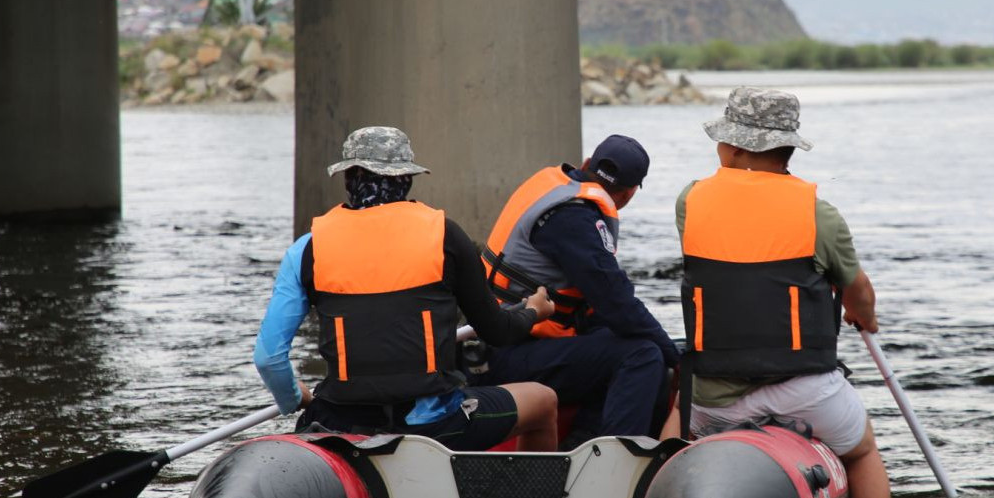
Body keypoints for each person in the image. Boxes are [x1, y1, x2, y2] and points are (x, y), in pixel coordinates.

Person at [253, 125, 558, 450]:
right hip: (434, 424)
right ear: (405, 179)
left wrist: (291, 397)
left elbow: (269, 359)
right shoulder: (446, 236)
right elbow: (498, 331)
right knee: (544, 401)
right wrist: (533, 311)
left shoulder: (306, 249)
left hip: (341, 422)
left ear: (349, 179)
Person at [675, 87, 892, 498]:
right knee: (863, 450)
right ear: (787, 148)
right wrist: (863, 317)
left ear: (734, 147)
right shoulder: (820, 215)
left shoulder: (690, 202)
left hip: (712, 399)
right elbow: (858, 291)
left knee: (670, 424)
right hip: (804, 391)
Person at [477, 134, 681, 447]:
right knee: (643, 355)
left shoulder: (552, 187)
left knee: (622, 338)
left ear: (587, 164)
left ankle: (582, 441)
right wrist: (676, 359)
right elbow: (617, 303)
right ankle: (616, 462)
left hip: (499, 340)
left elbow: (607, 304)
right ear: (629, 193)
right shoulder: (573, 219)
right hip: (510, 354)